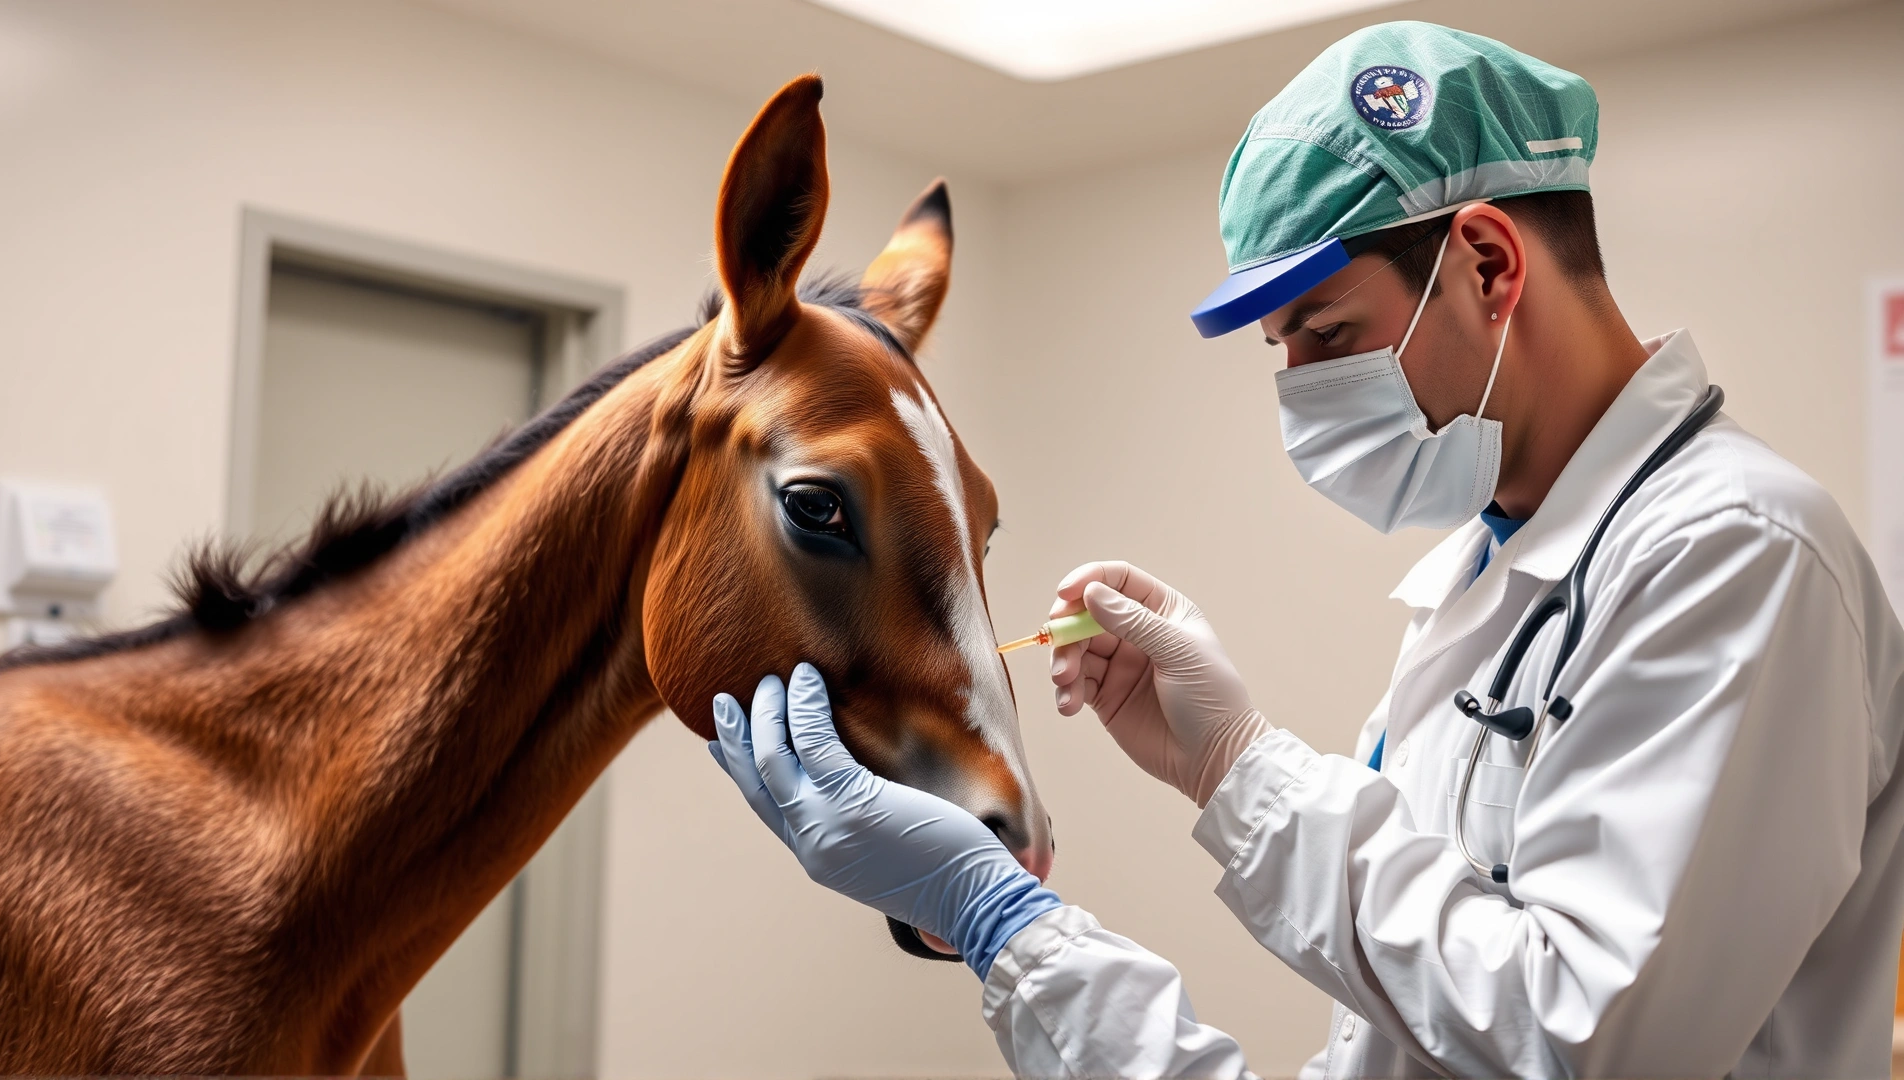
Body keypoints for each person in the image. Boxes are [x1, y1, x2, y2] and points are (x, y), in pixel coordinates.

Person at [707, 21, 1904, 1079]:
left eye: (1327, 333)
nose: (1301, 395)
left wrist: (1239, 765)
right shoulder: (1497, 582)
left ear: (1488, 265)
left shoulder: (1737, 553)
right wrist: (1012, 922)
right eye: (1281, 348)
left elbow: (1583, 1042)